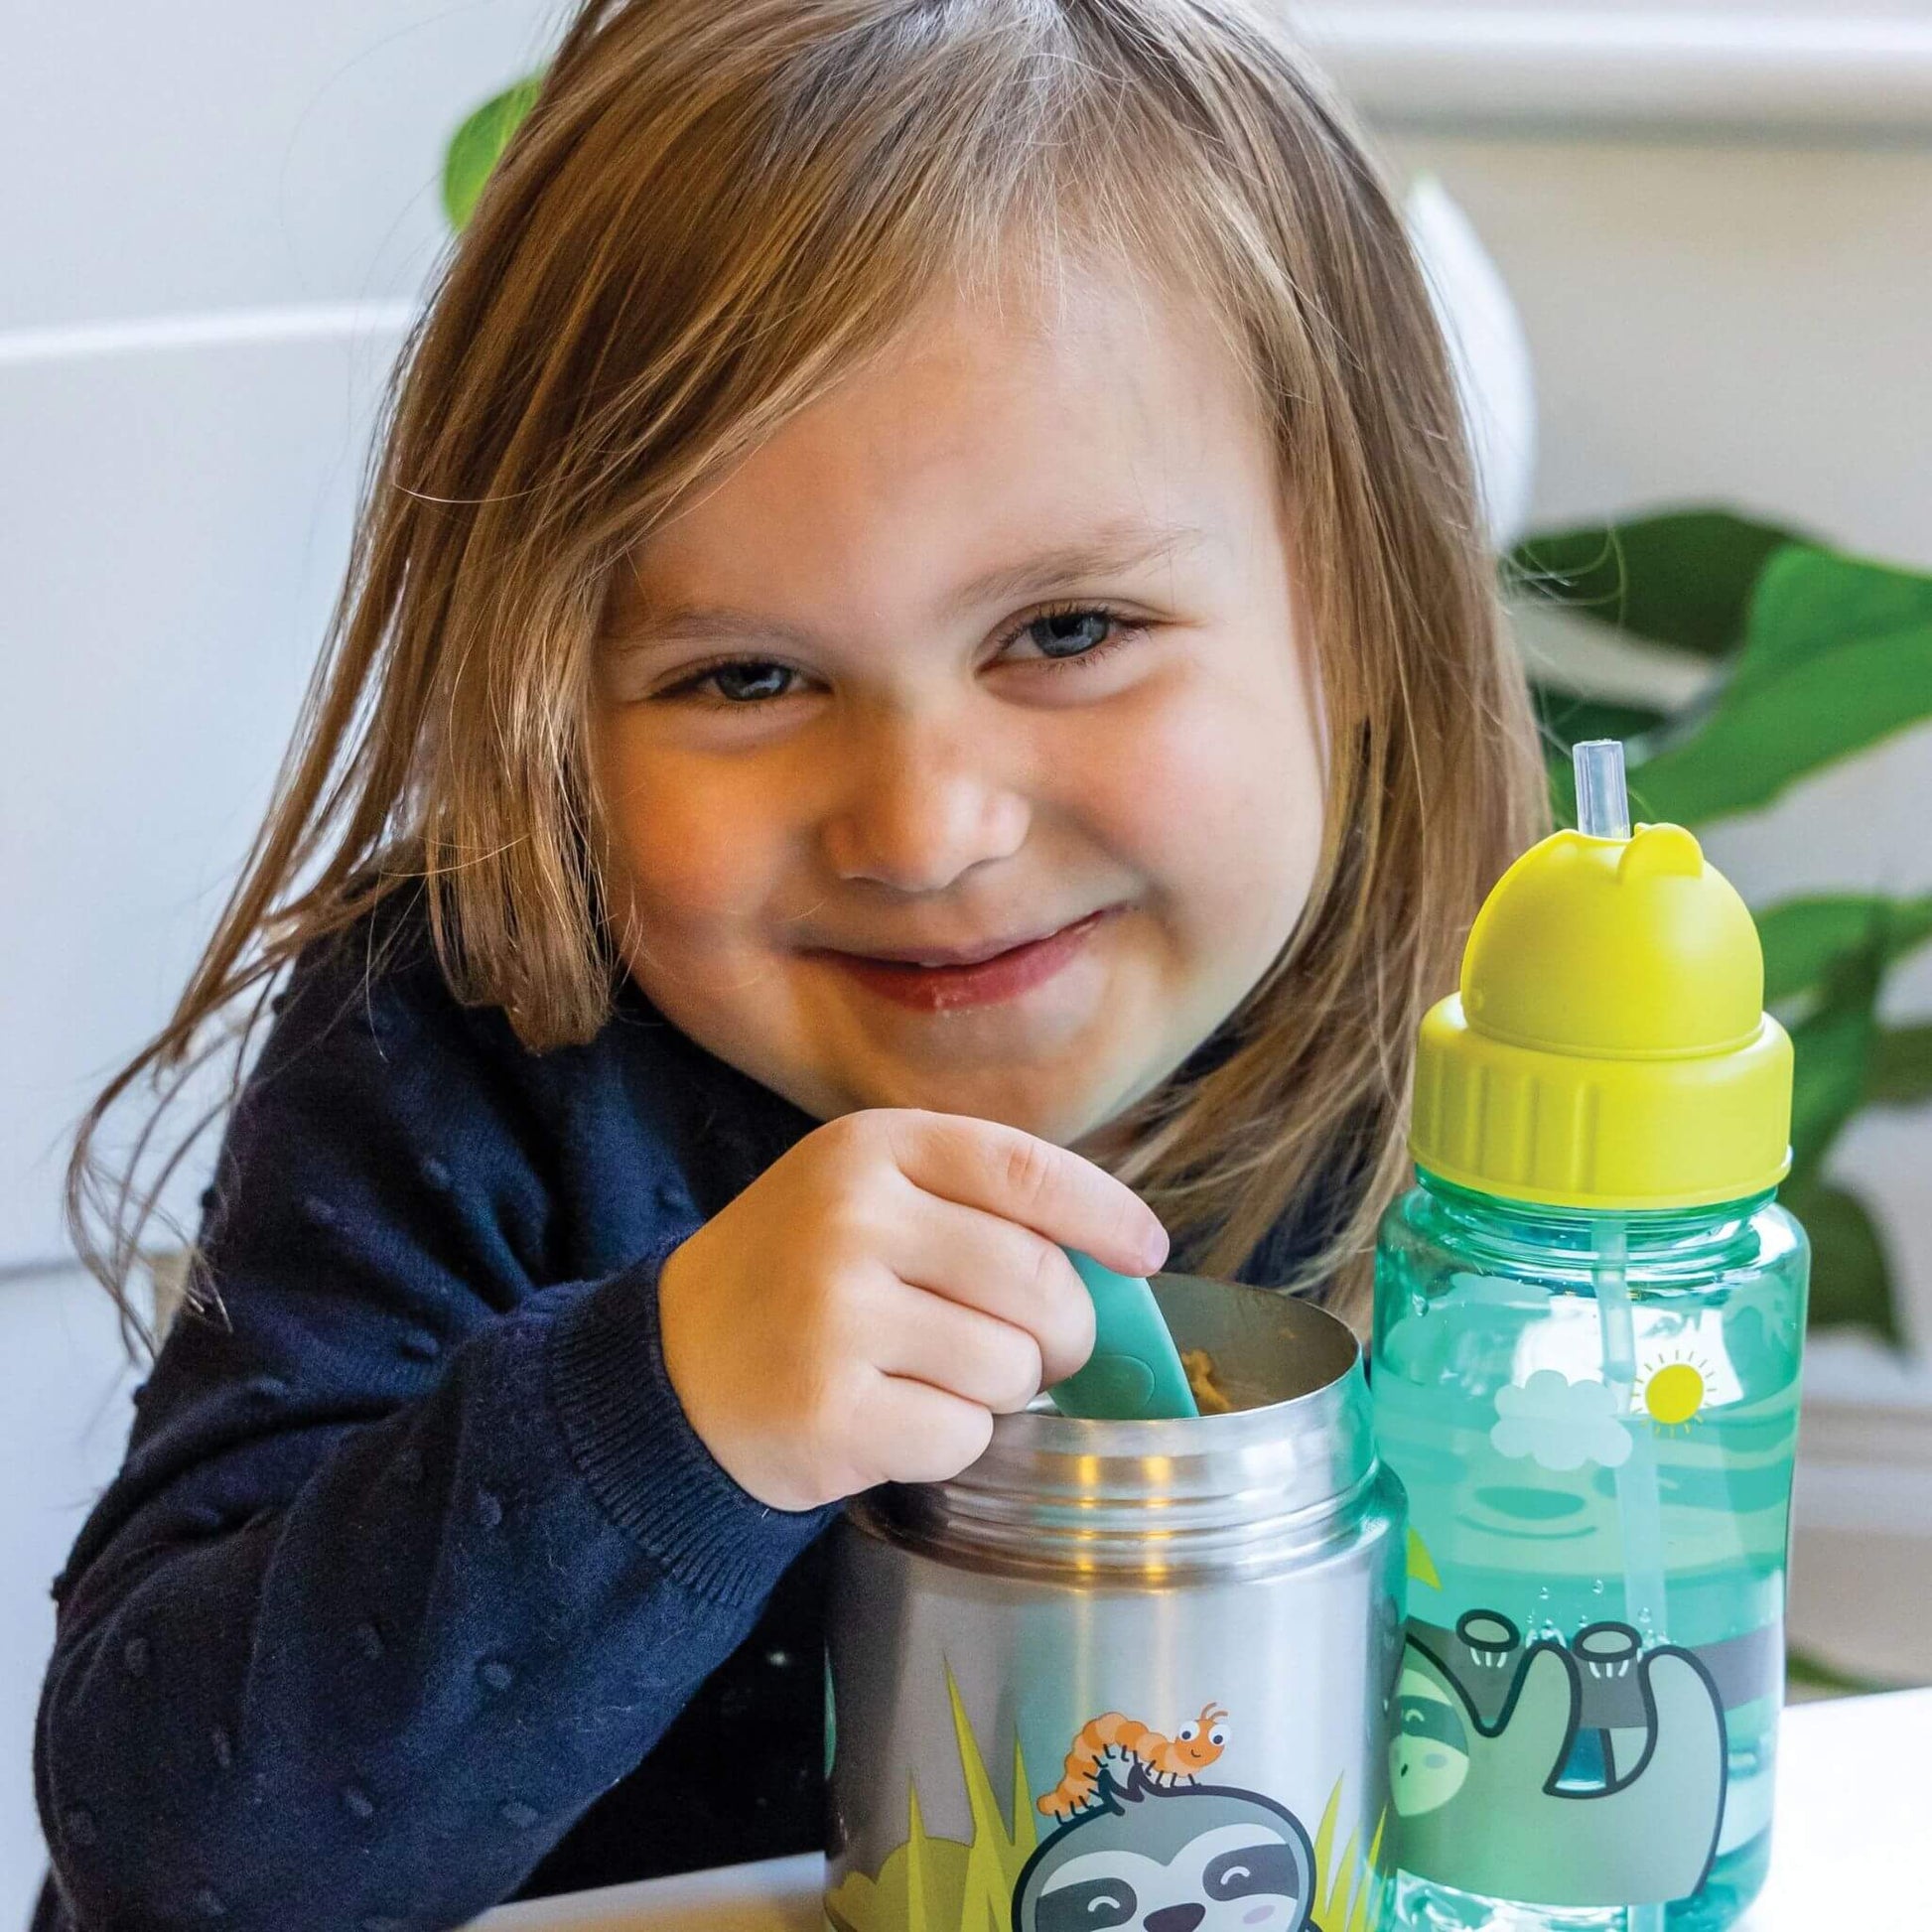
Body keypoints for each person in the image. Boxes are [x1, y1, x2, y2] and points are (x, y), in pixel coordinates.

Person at [33, 1, 1544, 1926]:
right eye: (744, 675)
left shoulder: (1470, 1103)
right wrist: (663, 1409)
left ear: (1354, 593)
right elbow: (182, 1858)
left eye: (1066, 629)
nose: (921, 828)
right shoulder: (469, 1052)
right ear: (548, 697)